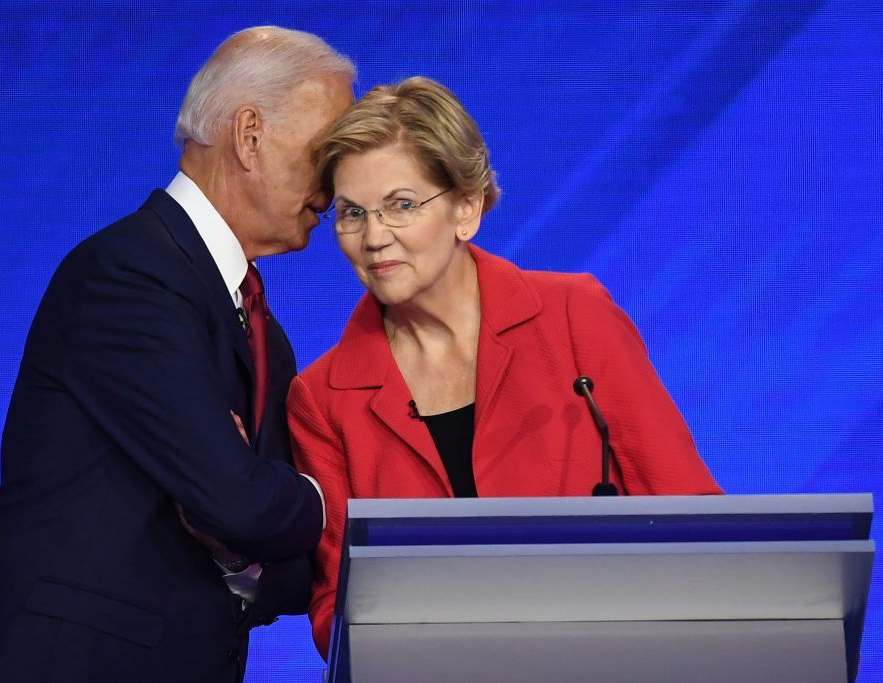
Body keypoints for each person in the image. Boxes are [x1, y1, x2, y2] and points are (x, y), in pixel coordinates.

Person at [0, 27, 354, 682]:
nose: (338, 184)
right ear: (249, 136)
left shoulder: (261, 331)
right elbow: (244, 502)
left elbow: (286, 568)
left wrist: (243, 554)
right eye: (328, 151)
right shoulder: (130, 276)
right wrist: (328, 498)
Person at [287, 76, 722, 658]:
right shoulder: (322, 398)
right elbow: (334, 604)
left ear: (466, 208)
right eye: (351, 213)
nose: (374, 237)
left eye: (402, 205)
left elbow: (690, 514)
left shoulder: (573, 316)